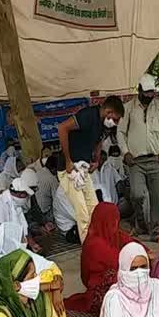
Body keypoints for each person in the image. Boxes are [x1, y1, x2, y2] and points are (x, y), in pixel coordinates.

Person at [57, 95, 125, 241]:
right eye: (115, 118)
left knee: (94, 207)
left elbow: (99, 141)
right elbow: (62, 128)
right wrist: (68, 160)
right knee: (82, 212)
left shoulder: (103, 125)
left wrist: (96, 159)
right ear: (108, 111)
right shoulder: (88, 116)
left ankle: (99, 240)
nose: (115, 123)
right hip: (69, 168)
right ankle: (88, 247)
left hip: (83, 167)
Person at [118, 74, 159, 240]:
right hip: (135, 161)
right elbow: (120, 132)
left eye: (151, 93)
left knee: (157, 195)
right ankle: (140, 223)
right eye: (146, 92)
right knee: (137, 194)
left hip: (154, 159)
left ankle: (155, 230)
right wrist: (125, 152)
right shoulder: (128, 108)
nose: (149, 96)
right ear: (139, 90)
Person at [65, 203, 138, 314]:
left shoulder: (114, 234)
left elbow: (132, 244)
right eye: (113, 220)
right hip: (99, 293)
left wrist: (146, 253)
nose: (115, 223)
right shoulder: (94, 243)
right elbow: (122, 261)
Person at [0, 222, 67, 317]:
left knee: (49, 274)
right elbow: (15, 290)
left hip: (27, 300)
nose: (24, 242)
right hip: (9, 312)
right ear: (11, 240)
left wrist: (56, 291)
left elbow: (51, 265)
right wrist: (51, 286)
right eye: (20, 239)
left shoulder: (22, 254)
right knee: (44, 279)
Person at [0, 173, 36, 261]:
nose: (26, 198)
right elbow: (0, 229)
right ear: (19, 194)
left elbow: (24, 229)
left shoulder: (16, 205)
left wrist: (32, 243)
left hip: (14, 244)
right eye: (25, 195)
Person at [33, 146, 60, 221]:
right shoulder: (52, 179)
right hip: (46, 212)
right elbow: (57, 201)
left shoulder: (38, 172)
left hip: (36, 211)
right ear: (54, 169)